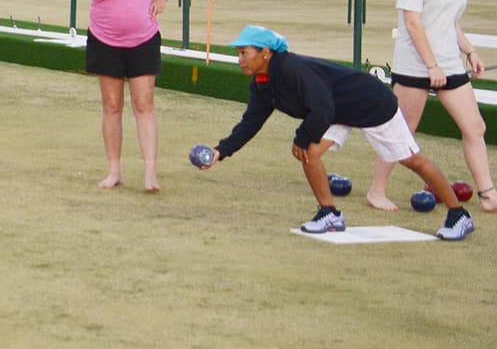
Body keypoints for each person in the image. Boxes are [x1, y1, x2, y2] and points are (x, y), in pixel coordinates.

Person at [198, 25, 474, 240]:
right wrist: (220, 151)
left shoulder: (292, 69)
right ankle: (329, 213)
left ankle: (458, 215)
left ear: (265, 53)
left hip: (369, 102)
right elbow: (251, 122)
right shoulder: (262, 83)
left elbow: (322, 106)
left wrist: (302, 136)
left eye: (244, 53)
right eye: (239, 54)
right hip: (336, 110)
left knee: (412, 160)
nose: (240, 59)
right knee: (310, 153)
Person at [366, 0, 497, 213]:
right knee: (402, 131)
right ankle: (376, 191)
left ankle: (488, 194)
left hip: (450, 63)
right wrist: (431, 65)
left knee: (475, 127)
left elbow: (450, 22)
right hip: (415, 66)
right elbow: (414, 23)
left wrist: (470, 51)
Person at [79, 0, 171, 192]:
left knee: (144, 105)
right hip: (106, 40)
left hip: (143, 38)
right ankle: (114, 171)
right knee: (112, 106)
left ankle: (150, 174)